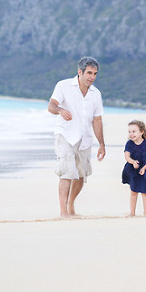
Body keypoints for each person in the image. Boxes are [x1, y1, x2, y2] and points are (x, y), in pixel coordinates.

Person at [48, 57, 106, 218]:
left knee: (81, 175)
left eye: (95, 74)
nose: (92, 77)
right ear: (79, 72)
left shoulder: (96, 94)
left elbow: (97, 119)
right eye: (89, 73)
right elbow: (51, 105)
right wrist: (60, 110)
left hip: (85, 139)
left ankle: (71, 204)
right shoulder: (63, 85)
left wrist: (102, 144)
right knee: (67, 172)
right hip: (66, 135)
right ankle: (63, 212)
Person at [121, 120, 146, 216]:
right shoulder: (129, 144)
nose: (131, 134)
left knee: (144, 191)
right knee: (134, 191)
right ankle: (132, 213)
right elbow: (127, 156)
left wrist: (144, 168)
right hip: (133, 169)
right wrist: (133, 162)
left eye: (134, 131)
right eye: (129, 132)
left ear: (142, 132)